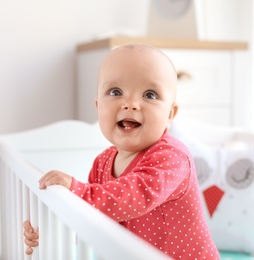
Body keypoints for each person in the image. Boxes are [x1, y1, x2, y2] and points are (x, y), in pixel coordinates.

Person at [23, 44, 220, 259]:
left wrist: (75, 188)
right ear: (98, 106)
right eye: (115, 92)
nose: (131, 104)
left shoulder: (172, 157)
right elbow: (92, 216)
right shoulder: (103, 162)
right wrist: (51, 233)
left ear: (170, 114)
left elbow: (133, 196)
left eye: (150, 95)